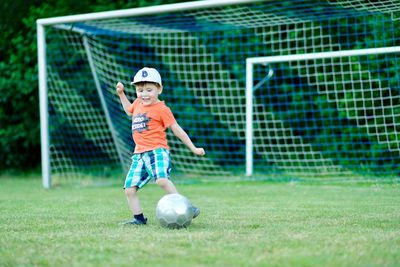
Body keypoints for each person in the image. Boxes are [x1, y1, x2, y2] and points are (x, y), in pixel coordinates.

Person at [116, 67, 205, 225]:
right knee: (129, 189)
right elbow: (129, 111)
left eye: (149, 90)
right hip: (139, 155)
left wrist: (194, 148)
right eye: (140, 90)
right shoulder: (137, 103)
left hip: (157, 151)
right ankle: (139, 219)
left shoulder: (162, 109)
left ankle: (188, 208)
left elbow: (177, 130)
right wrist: (122, 94)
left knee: (162, 180)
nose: (144, 94)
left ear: (159, 89)